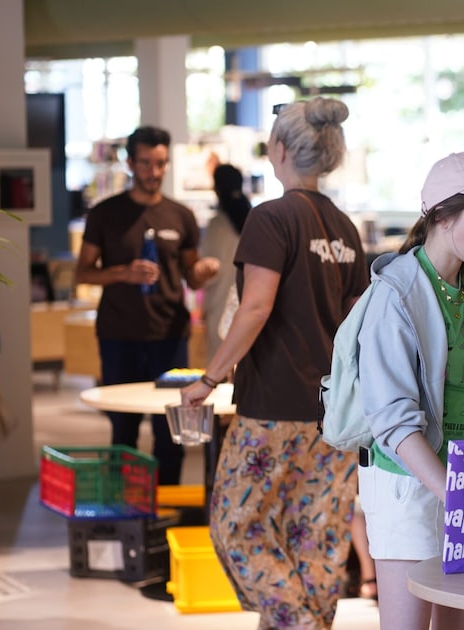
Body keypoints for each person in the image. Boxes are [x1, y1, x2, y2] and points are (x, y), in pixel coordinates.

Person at [180, 97, 368, 629]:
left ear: (279, 149)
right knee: (315, 534)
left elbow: (256, 306)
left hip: (274, 402)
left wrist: (210, 377)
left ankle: (300, 624)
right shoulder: (345, 228)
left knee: (237, 526)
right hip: (335, 411)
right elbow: (356, 324)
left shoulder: (272, 218)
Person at [353, 151, 464, 630]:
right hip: (406, 485)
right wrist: (459, 496)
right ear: (442, 216)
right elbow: (392, 421)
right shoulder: (393, 295)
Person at [75, 126, 219, 486]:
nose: (153, 172)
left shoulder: (181, 216)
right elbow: (83, 273)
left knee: (171, 430)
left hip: (170, 334)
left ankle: (165, 508)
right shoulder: (106, 214)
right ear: (130, 162)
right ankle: (126, 504)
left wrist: (203, 272)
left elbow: (191, 275)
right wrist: (125, 272)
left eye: (160, 164)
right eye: (145, 163)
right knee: (122, 428)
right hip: (119, 334)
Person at [199, 163, 251, 364]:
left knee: (219, 367)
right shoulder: (254, 220)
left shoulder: (217, 225)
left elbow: (209, 273)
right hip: (249, 307)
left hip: (221, 307)